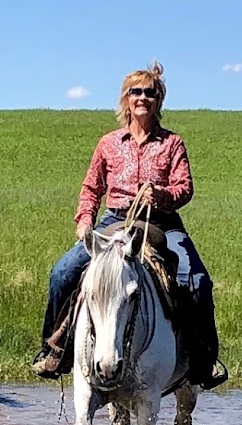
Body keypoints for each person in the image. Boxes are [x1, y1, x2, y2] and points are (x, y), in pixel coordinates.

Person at [32, 61, 227, 389]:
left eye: (150, 93)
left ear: (158, 100)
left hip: (161, 223)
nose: (143, 98)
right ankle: (55, 349)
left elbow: (185, 188)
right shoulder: (108, 143)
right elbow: (91, 187)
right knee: (62, 273)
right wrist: (84, 222)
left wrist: (161, 194)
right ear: (125, 99)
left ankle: (203, 360)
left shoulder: (172, 143)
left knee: (198, 282)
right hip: (114, 220)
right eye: (136, 92)